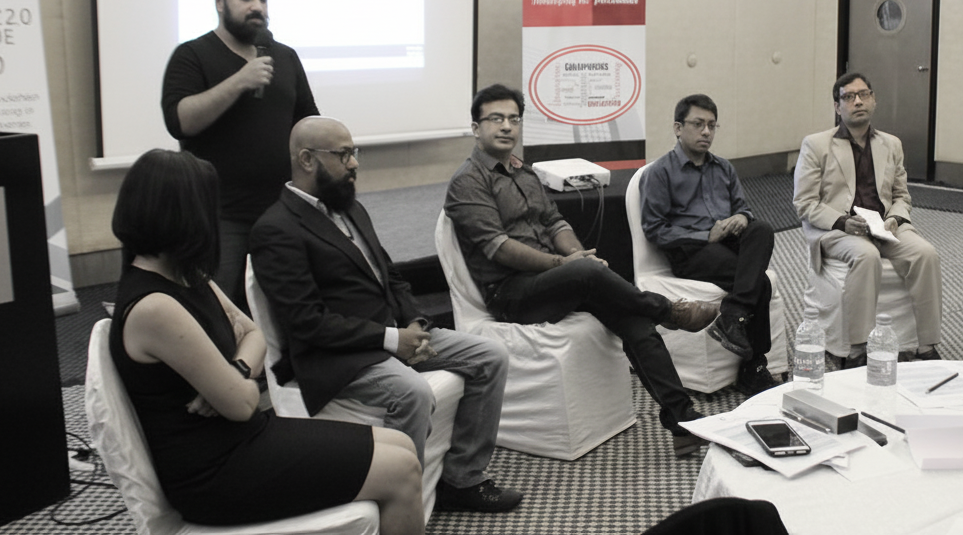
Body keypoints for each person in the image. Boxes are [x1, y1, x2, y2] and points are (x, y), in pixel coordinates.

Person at [109, 149, 423, 535]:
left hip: (243, 438)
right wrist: (236, 382)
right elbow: (243, 404)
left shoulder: (187, 276)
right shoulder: (155, 307)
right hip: (215, 472)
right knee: (401, 469)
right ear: (185, 214)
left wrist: (235, 370)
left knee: (400, 445)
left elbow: (253, 333)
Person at [249, 116, 522, 513]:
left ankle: (461, 480)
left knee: (491, 356)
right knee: (413, 392)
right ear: (307, 160)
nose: (354, 163)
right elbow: (307, 322)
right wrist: (392, 340)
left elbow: (389, 276)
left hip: (391, 334)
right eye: (344, 154)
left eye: (354, 152)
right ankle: (400, 505)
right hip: (338, 356)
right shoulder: (276, 229)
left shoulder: (351, 207)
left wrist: (414, 322)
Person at [444, 84, 718, 458]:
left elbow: (554, 222)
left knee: (634, 320)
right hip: (510, 294)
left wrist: (576, 254)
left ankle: (682, 421)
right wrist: (567, 265)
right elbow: (500, 248)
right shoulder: (468, 182)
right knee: (589, 275)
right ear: (476, 128)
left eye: (513, 119)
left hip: (556, 282)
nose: (506, 126)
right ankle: (668, 310)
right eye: (496, 119)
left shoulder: (525, 174)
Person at [161, 0, 318, 310]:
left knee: (287, 303)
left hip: (281, 208)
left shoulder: (284, 57)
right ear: (220, 2)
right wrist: (240, 81)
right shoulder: (192, 55)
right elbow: (180, 121)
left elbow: (307, 121)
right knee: (218, 309)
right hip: (219, 214)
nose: (257, 7)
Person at [793, 72, 943, 368]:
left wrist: (896, 218)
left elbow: (901, 195)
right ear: (837, 107)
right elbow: (805, 202)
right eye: (849, 97)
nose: (858, 101)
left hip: (884, 226)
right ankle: (858, 348)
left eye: (864, 95)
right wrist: (842, 222)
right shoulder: (816, 145)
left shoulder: (891, 144)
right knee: (867, 256)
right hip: (839, 229)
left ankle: (927, 344)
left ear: (874, 100)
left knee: (926, 254)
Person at [640, 93, 778, 395]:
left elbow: (743, 208)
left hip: (728, 243)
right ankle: (754, 367)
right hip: (691, 252)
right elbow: (655, 230)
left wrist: (741, 216)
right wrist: (706, 236)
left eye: (712, 126)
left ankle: (733, 313)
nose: (706, 132)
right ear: (678, 128)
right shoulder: (660, 172)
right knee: (761, 283)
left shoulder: (723, 168)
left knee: (762, 229)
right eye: (698, 124)